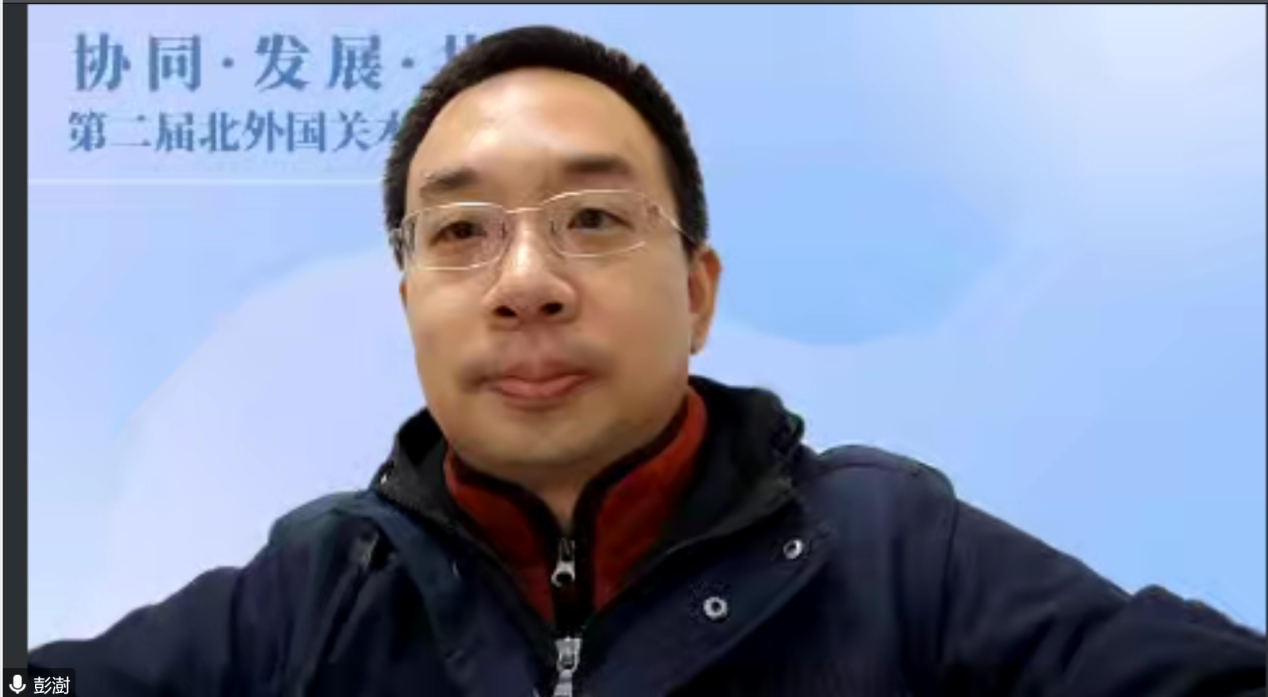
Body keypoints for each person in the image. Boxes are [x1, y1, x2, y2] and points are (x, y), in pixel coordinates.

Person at [30, 25, 1265, 697]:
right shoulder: (312, 588)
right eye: (460, 233)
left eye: (592, 217)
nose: (525, 282)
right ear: (409, 305)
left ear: (697, 292)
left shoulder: (896, 552)